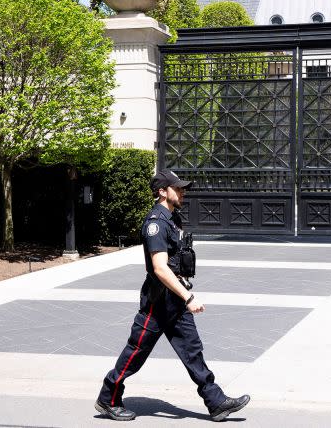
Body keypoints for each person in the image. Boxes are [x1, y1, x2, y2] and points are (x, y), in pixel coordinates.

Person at [95, 170, 250, 422]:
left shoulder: (172, 218)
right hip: (158, 302)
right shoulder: (156, 223)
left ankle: (216, 402)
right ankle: (108, 397)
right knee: (136, 352)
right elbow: (159, 268)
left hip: (174, 299)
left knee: (192, 349)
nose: (183, 192)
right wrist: (188, 298)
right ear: (161, 191)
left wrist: (183, 292)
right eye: (177, 188)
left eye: (182, 188)